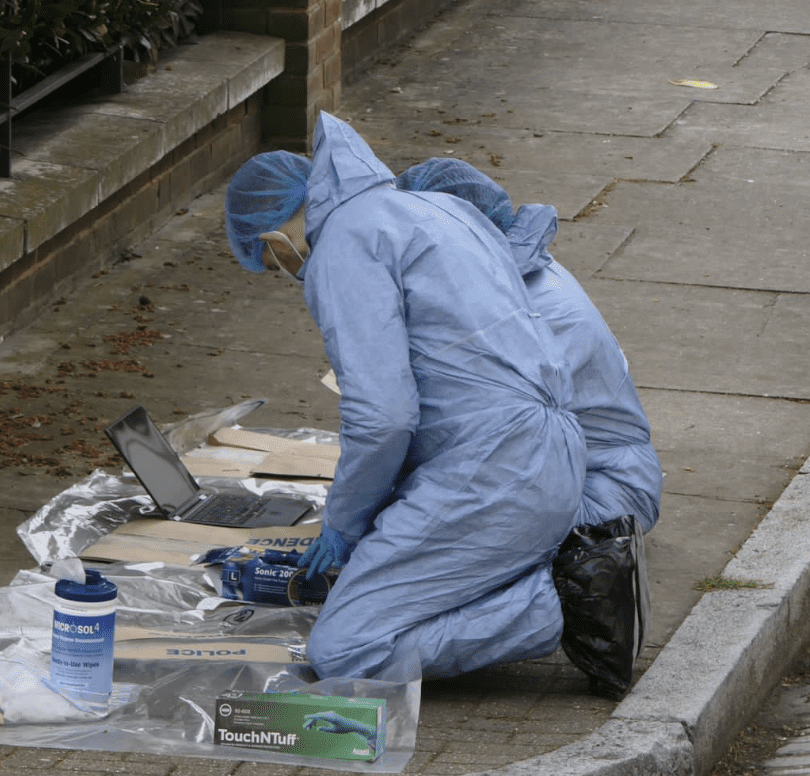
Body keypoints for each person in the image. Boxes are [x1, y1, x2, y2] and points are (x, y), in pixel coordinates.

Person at [225, 112, 587, 682]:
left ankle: (568, 605)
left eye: (273, 264)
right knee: (394, 581)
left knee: (343, 651)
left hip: (493, 474)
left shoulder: (342, 245)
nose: (286, 272)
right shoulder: (433, 208)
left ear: (272, 240)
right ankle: (562, 577)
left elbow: (385, 417)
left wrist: (345, 523)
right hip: (548, 459)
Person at [395, 159, 663, 532]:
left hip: (603, 494)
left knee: (410, 547)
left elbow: (479, 430)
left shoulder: (535, 312)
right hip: (563, 476)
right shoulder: (505, 279)